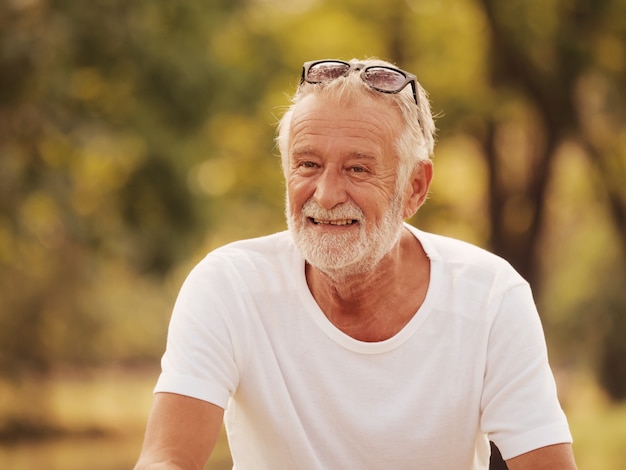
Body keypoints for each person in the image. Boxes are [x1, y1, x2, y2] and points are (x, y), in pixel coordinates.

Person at [134, 58, 577, 470]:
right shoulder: (229, 286)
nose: (325, 195)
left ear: (415, 189)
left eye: (358, 170)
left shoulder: (491, 297)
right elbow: (166, 459)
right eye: (307, 164)